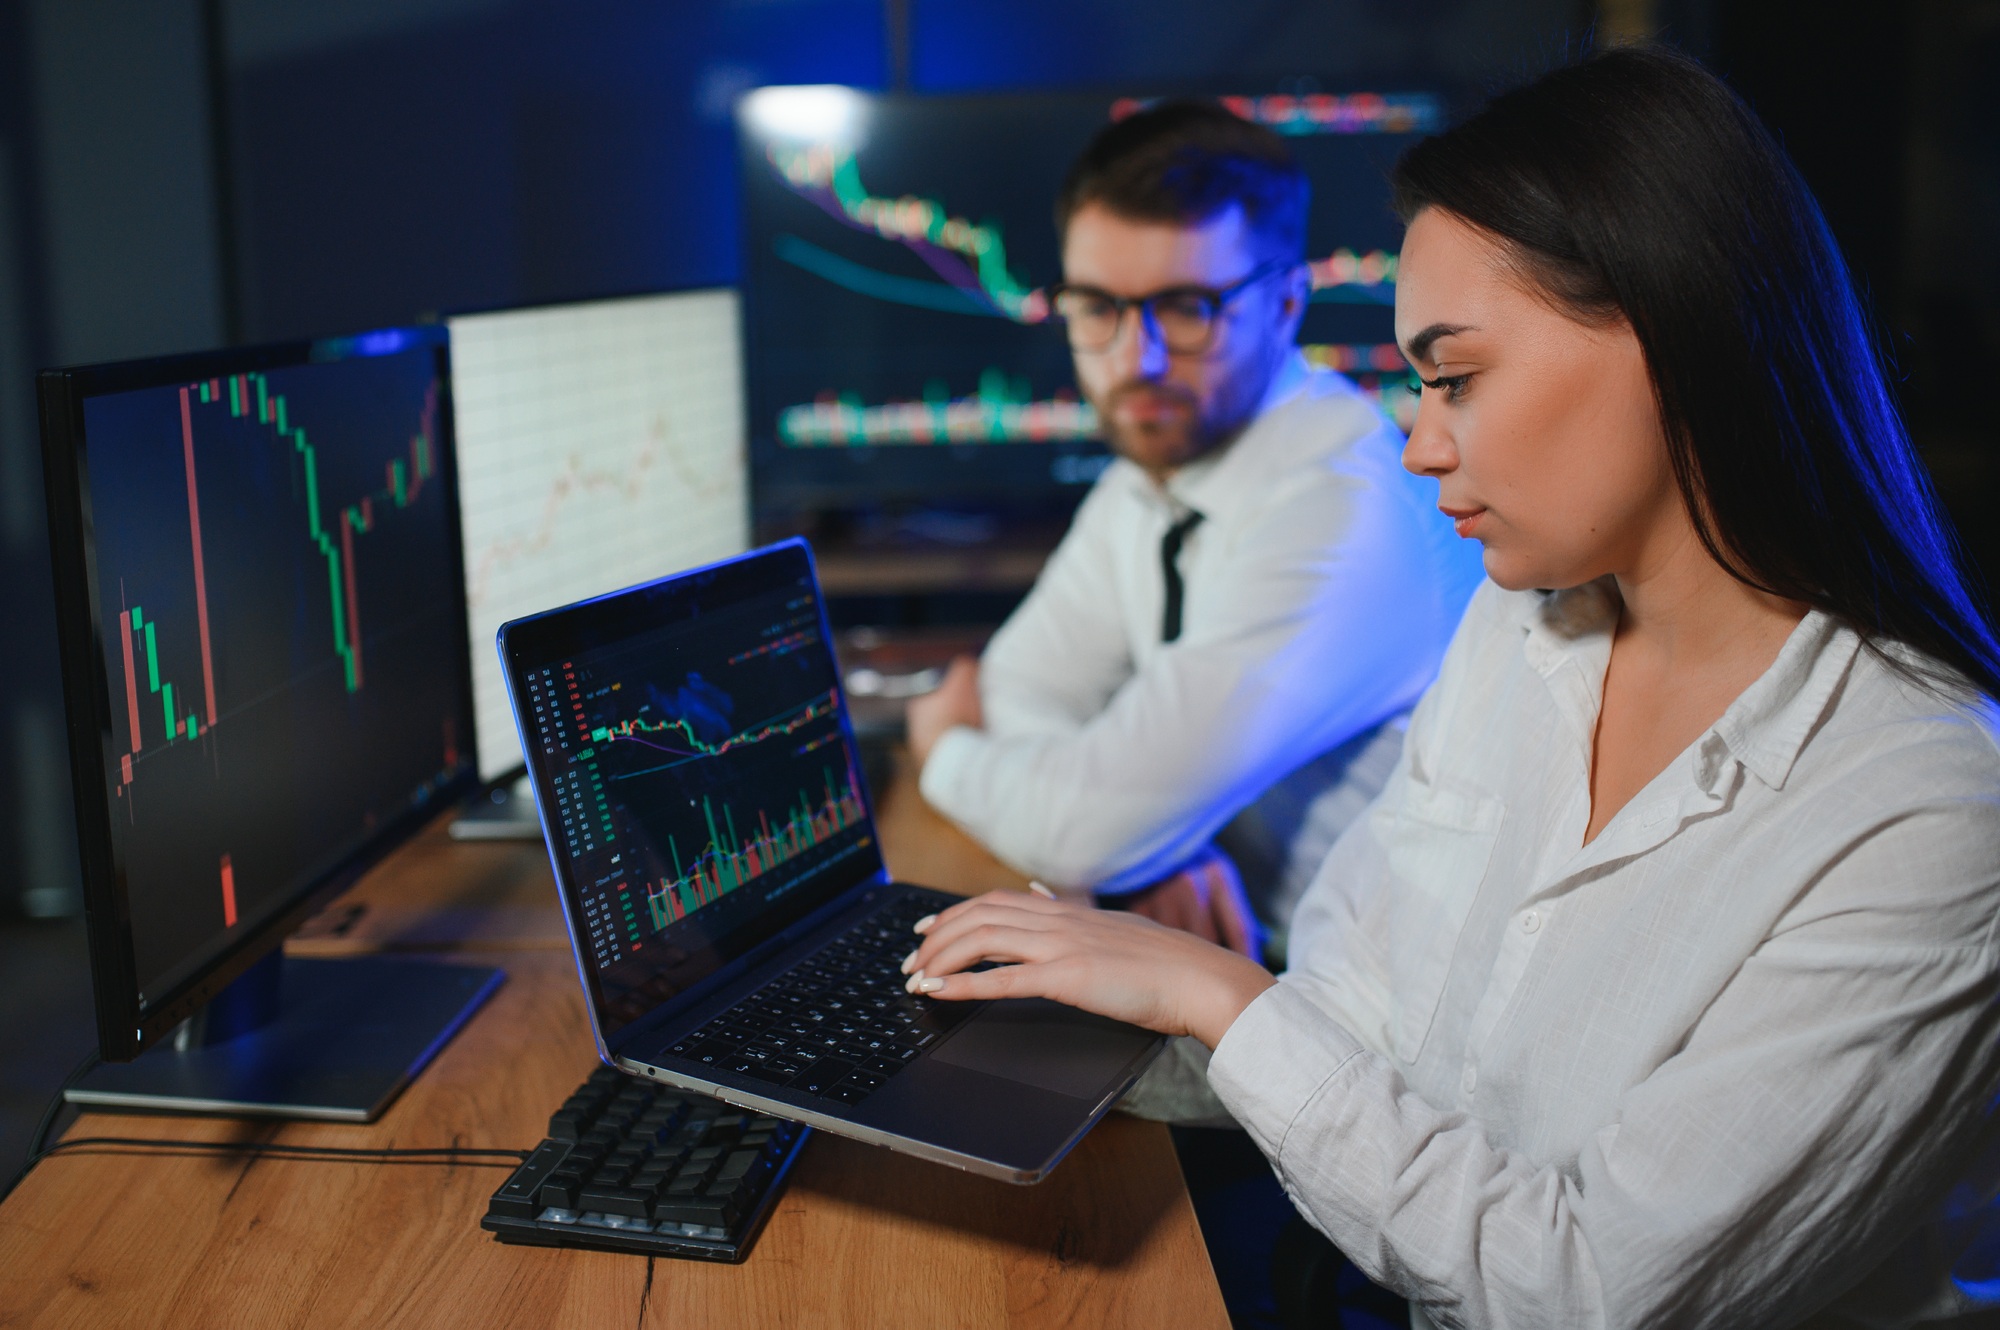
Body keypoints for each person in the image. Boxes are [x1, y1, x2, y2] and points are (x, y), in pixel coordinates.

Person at [900, 47, 2000, 1329]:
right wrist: (1069, 1007)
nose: (1420, 445)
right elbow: (1363, 1017)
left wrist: (1213, 994)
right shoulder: (1518, 629)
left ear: (1671, 332)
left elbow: (1583, 1291)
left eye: (1455, 378)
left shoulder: (1928, 816)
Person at [907, 101, 1483, 958]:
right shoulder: (1151, 477)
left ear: (1287, 302)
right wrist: (1151, 838)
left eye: (1186, 309)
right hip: (1247, 958)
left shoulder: (1341, 512)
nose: (1133, 361)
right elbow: (1020, 693)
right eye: (1096, 306)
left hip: (1380, 1012)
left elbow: (1066, 816)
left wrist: (945, 750)